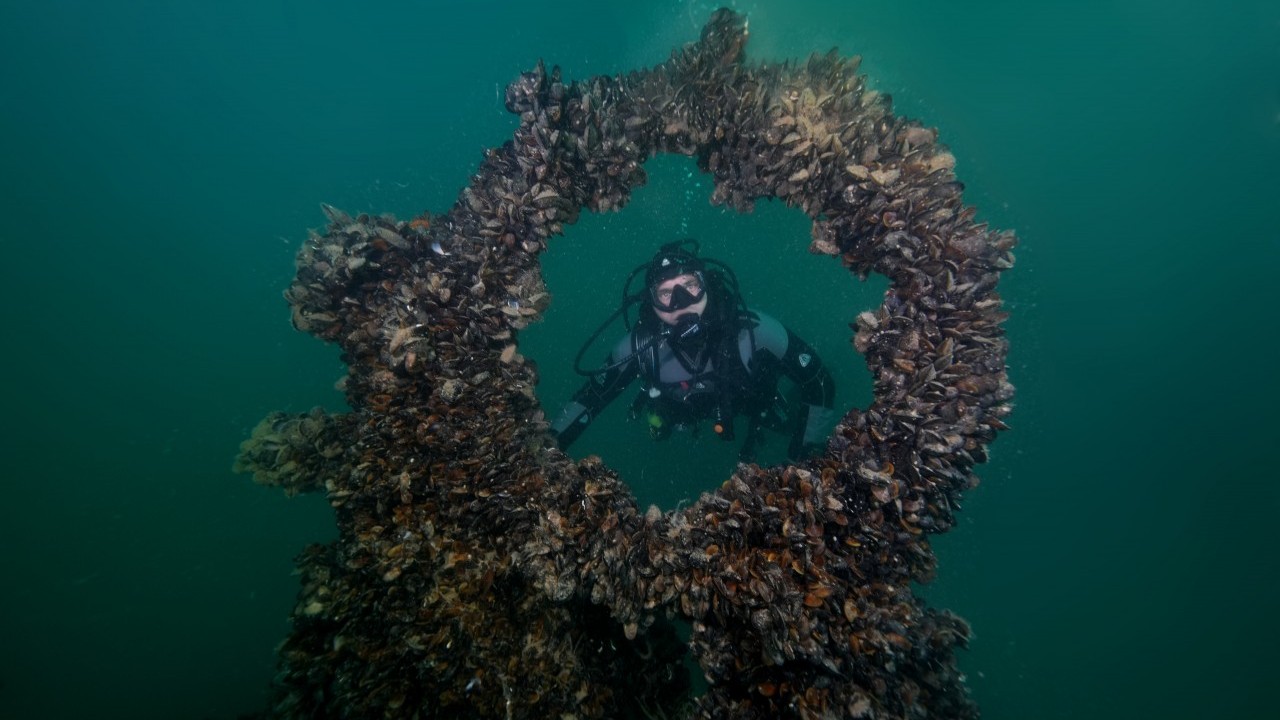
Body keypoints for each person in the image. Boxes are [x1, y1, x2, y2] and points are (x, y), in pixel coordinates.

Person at [550, 240, 836, 462]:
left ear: (707, 285)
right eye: (666, 293)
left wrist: (802, 463)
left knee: (783, 420)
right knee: (661, 424)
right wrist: (546, 452)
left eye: (689, 285)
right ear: (651, 304)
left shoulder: (754, 332)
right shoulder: (640, 348)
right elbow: (590, 399)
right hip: (679, 409)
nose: (681, 301)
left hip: (750, 402)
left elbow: (819, 381)